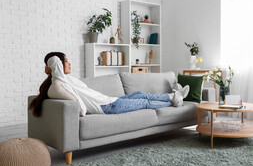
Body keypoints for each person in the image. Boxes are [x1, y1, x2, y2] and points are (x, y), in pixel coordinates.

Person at [29, 52, 189, 117]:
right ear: (56, 65)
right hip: (107, 107)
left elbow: (59, 68)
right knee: (145, 102)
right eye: (65, 61)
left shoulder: (66, 80)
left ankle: (173, 96)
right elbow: (82, 109)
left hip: (111, 100)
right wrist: (51, 65)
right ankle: (175, 98)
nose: (69, 63)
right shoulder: (58, 83)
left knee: (141, 94)